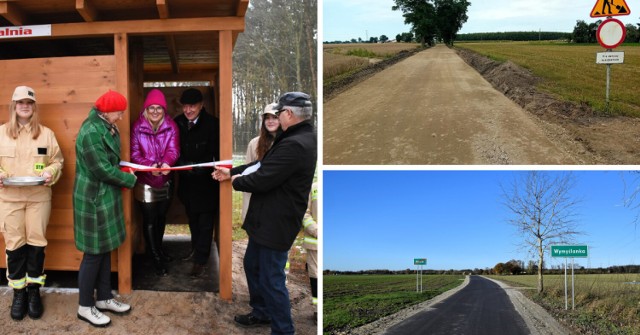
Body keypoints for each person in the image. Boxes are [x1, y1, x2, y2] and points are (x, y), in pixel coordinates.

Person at [213, 92, 317, 335]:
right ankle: (262, 312)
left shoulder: (296, 144)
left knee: (271, 278)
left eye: (279, 112)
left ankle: (283, 330)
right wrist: (232, 171)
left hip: (276, 223)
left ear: (289, 114)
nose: (277, 116)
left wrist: (235, 181)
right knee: (252, 265)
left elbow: (262, 179)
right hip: (266, 220)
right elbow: (260, 164)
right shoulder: (291, 137)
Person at [73, 90, 136, 327]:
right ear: (107, 110)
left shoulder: (108, 127)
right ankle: (85, 306)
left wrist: (126, 169)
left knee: (105, 247)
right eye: (119, 111)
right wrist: (129, 179)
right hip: (92, 198)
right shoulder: (91, 132)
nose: (121, 116)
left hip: (104, 195)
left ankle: (105, 297)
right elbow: (101, 169)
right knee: (93, 253)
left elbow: (111, 163)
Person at [0, 86, 64, 321]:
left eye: (29, 102)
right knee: (15, 246)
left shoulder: (46, 134)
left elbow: (57, 161)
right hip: (9, 199)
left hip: (38, 198)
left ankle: (34, 291)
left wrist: (49, 172)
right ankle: (19, 293)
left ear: (34, 106)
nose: (24, 106)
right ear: (13, 106)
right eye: (20, 102)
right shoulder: (1, 133)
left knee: (37, 244)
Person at [131, 89, 180, 276]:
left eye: (158, 108)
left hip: (165, 180)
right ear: (146, 109)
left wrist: (168, 162)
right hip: (145, 181)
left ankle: (159, 249)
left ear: (164, 109)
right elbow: (134, 154)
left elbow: (174, 149)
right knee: (150, 220)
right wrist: (149, 165)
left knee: (161, 217)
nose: (154, 111)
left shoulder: (171, 126)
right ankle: (155, 257)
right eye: (151, 108)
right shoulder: (137, 127)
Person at [174, 88, 220, 277]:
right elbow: (173, 149)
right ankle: (195, 251)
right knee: (192, 219)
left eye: (192, 105)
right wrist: (182, 164)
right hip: (187, 182)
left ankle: (201, 260)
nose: (188, 110)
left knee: (205, 223)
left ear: (201, 105)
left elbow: (216, 151)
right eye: (185, 106)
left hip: (207, 183)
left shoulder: (213, 124)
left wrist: (205, 168)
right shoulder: (177, 123)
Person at [241, 102, 280, 222]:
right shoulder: (254, 143)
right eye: (267, 118)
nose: (270, 121)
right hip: (256, 197)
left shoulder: (287, 143)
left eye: (274, 117)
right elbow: (247, 171)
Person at [302, 182, 318, 325]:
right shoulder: (314, 187)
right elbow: (304, 212)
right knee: (315, 277)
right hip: (315, 243)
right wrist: (315, 230)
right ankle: (318, 310)